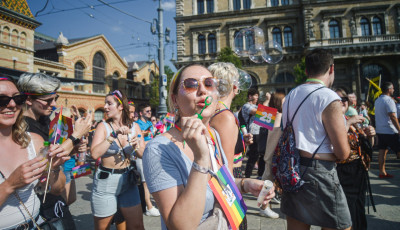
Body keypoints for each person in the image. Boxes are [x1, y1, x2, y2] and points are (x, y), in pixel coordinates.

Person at [143, 64, 275, 229]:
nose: (202, 91)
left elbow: (219, 181)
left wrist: (244, 184)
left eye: (209, 83)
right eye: (191, 84)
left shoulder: (213, 134)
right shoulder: (158, 149)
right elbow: (180, 226)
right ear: (175, 99)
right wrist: (201, 159)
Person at [281, 48, 352, 230]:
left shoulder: (290, 96)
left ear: (306, 71)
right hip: (320, 173)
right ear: (331, 69)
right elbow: (342, 152)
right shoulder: (328, 96)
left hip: (293, 169)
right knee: (341, 226)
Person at [18, 72, 92, 229]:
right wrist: (75, 136)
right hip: (40, 206)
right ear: (29, 99)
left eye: (55, 99)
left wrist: (73, 149)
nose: (53, 104)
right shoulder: (24, 126)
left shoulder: (43, 120)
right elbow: (47, 159)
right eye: (47, 100)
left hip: (52, 200)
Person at [0, 76, 66, 229]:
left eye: (18, 98)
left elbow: (57, 190)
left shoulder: (33, 141)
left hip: (36, 223)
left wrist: (53, 168)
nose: (11, 104)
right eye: (2, 100)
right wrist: (9, 185)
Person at [208, 62, 257, 227]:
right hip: (227, 186)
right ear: (234, 86)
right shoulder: (225, 116)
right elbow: (226, 170)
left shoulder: (212, 111)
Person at [90, 90, 145, 230]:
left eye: (109, 103)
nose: (105, 107)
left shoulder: (135, 127)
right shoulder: (103, 127)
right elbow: (95, 154)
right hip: (106, 182)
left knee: (137, 226)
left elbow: (142, 154)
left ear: (120, 106)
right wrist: (113, 135)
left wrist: (136, 145)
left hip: (128, 181)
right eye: (105, 103)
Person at [335, 88, 376, 230]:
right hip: (342, 173)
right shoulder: (330, 122)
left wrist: (370, 136)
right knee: (347, 215)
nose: (342, 102)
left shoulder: (351, 121)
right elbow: (331, 147)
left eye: (344, 99)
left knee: (359, 211)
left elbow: (367, 148)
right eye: (338, 99)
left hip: (358, 173)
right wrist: (347, 124)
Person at [135, 104, 160, 217]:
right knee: (145, 183)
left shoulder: (150, 123)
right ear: (141, 113)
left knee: (152, 180)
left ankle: (154, 204)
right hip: (141, 155)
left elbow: (152, 137)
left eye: (150, 111)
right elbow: (138, 142)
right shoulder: (137, 125)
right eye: (147, 111)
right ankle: (148, 207)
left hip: (151, 154)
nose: (150, 113)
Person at [374, 82, 400, 178]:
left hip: (380, 130)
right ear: (389, 90)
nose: (393, 90)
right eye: (392, 88)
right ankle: (382, 172)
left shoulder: (378, 100)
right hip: (390, 131)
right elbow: (393, 116)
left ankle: (382, 172)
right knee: (398, 150)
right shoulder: (389, 100)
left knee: (382, 151)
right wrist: (399, 129)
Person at [241, 88, 269, 178]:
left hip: (261, 132)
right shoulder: (246, 106)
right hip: (253, 132)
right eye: (255, 95)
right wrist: (267, 100)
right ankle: (247, 176)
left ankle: (260, 174)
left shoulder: (258, 106)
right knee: (254, 155)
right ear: (250, 96)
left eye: (257, 95)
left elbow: (264, 114)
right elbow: (257, 113)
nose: (257, 97)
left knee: (262, 154)